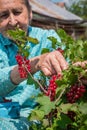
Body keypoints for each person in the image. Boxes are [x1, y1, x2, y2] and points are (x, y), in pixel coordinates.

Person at [0, 0, 68, 129]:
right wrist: (32, 65)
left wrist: (77, 73)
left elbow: (63, 79)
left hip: (32, 116)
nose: (13, 22)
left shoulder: (48, 40)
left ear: (30, 13)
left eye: (17, 12)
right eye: (3, 15)